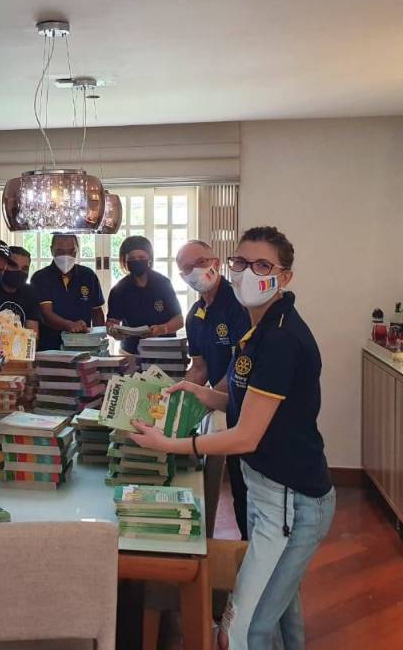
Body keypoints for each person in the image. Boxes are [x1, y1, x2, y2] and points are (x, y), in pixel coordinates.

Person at [131, 227, 335, 650]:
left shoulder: (279, 338)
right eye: (241, 262)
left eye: (262, 265)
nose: (247, 272)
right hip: (267, 491)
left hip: (290, 499)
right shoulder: (257, 330)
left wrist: (171, 445)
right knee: (280, 611)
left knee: (243, 628)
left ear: (284, 277)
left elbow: (246, 436)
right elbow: (241, 401)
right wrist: (199, 393)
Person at [178, 239, 252, 540]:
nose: (195, 271)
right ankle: (246, 548)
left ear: (216, 263)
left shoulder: (238, 304)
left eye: (200, 262)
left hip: (252, 406)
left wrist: (207, 399)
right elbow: (199, 368)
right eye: (186, 268)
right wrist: (179, 401)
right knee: (239, 489)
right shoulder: (194, 316)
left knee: (253, 489)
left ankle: (256, 550)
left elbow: (239, 365)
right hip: (229, 409)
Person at [105, 235, 183, 354]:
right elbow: (111, 322)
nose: (137, 261)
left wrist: (162, 329)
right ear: (125, 261)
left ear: (149, 259)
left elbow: (179, 320)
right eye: (132, 258)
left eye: (141, 257)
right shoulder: (119, 289)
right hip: (131, 352)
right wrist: (113, 331)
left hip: (165, 351)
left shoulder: (163, 283)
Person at [30, 232, 105, 350]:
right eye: (60, 252)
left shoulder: (88, 275)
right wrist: (69, 325)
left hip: (83, 347)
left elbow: (97, 312)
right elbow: (46, 313)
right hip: (50, 348)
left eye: (71, 252)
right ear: (51, 250)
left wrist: (99, 341)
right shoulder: (41, 277)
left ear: (77, 250)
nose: (66, 256)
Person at [0, 245, 41, 334]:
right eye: (14, 266)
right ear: (4, 266)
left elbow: (33, 333)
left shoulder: (30, 292)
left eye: (24, 269)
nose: (19, 271)